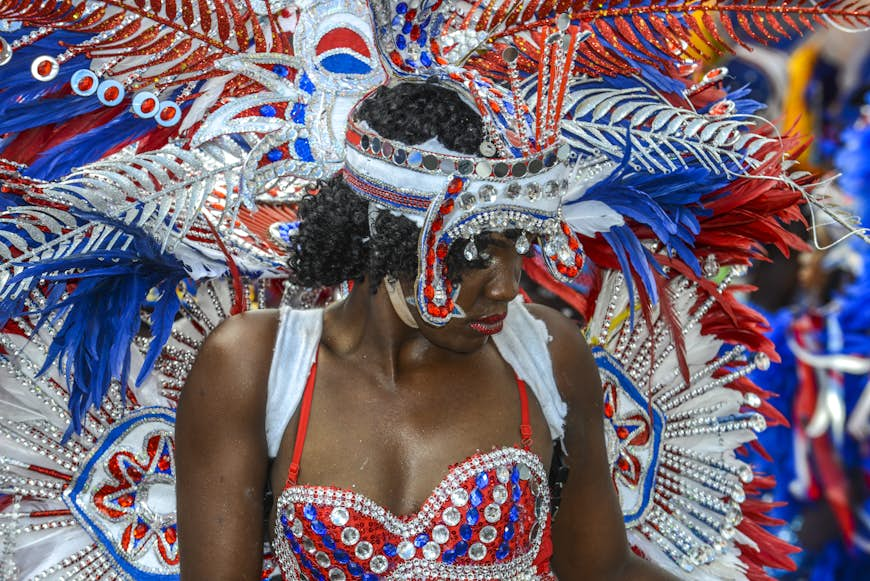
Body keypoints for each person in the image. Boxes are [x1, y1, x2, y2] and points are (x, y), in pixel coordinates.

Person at [175, 82, 678, 580]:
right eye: (477, 253)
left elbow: (604, 570)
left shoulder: (546, 355)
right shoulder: (255, 366)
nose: (507, 288)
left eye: (518, 248)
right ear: (388, 238)